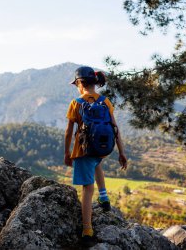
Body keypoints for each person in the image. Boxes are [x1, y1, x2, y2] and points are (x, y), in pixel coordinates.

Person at [64, 66, 127, 246]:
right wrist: (121, 152)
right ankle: (105, 196)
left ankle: (87, 229)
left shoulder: (76, 102)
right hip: (101, 149)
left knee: (87, 189)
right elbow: (115, 129)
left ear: (80, 83)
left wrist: (67, 153)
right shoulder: (105, 101)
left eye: (76, 84)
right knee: (96, 164)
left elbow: (69, 132)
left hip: (83, 151)